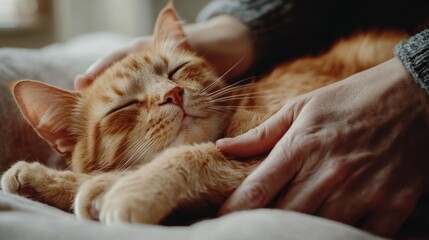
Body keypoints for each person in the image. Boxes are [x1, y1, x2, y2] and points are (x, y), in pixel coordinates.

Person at [74, 0, 429, 237]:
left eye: (178, 70)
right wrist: (240, 27)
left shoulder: (259, 96)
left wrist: (419, 78)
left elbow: (294, 146)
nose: (170, 92)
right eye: (123, 107)